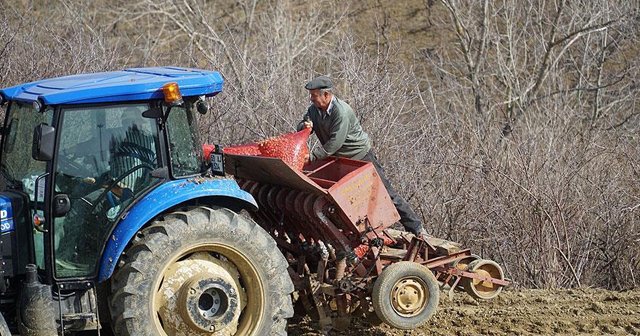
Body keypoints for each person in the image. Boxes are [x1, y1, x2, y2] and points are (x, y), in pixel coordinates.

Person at [297, 75, 428, 237]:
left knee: (385, 192)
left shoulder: (341, 112)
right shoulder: (314, 110)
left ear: (326, 95)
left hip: (360, 156)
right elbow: (303, 124)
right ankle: (363, 233)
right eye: (311, 95)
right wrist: (305, 126)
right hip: (339, 159)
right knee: (348, 198)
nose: (311, 99)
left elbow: (335, 142)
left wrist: (312, 157)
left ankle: (416, 228)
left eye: (314, 95)